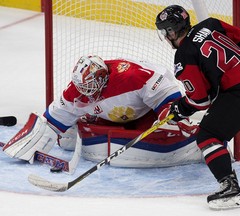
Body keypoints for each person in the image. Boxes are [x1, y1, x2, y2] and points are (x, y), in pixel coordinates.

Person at [155, 5, 240, 209]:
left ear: (172, 31)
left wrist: (179, 109)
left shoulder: (184, 55)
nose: (166, 37)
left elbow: (200, 100)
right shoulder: (211, 24)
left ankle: (230, 188)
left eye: (166, 32)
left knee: (208, 136)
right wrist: (239, 69)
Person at [3, 55, 202, 168]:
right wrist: (29, 143)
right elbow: (52, 120)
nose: (85, 93)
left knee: (170, 129)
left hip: (146, 110)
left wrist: (167, 111)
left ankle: (198, 145)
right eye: (82, 87)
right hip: (112, 115)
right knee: (66, 138)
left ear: (102, 79)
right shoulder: (76, 90)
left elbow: (166, 93)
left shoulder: (132, 77)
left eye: (90, 87)